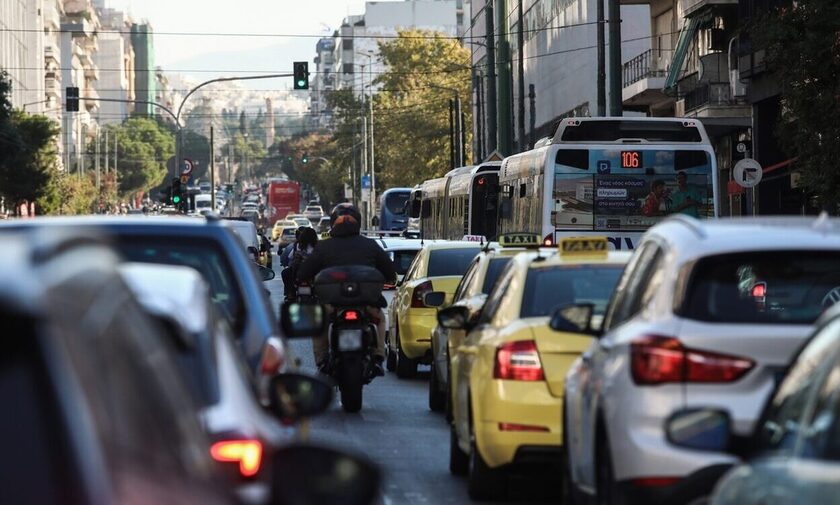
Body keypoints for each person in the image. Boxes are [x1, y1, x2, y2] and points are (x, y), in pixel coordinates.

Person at [297, 203, 397, 377]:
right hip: (366, 304)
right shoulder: (370, 245)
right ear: (357, 223)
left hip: (332, 306)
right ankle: (379, 356)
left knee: (319, 324)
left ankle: (321, 361)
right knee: (380, 319)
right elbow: (390, 273)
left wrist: (307, 282)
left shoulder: (324, 247)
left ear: (333, 223)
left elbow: (303, 273)